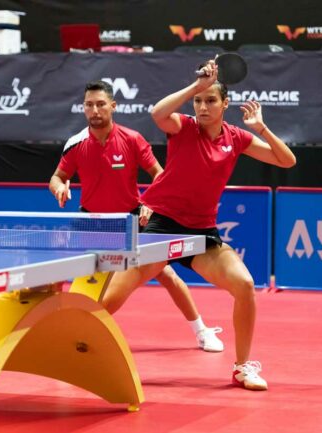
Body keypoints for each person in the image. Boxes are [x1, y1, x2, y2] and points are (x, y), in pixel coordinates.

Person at [102, 61, 296, 390]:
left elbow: (286, 160)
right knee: (109, 300)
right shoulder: (184, 128)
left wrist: (260, 128)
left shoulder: (236, 138)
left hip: (201, 232)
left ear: (225, 104)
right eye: (198, 101)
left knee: (244, 285)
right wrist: (197, 85)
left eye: (210, 100)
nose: (203, 107)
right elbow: (157, 113)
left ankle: (242, 368)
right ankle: (76, 349)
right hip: (161, 224)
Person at [49, 80, 224, 353]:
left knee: (167, 275)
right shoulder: (76, 143)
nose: (95, 110)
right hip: (91, 223)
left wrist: (152, 203)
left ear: (113, 106)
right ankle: (59, 331)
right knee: (61, 274)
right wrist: (59, 187)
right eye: (89, 105)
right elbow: (57, 177)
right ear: (83, 108)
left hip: (131, 223)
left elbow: (159, 174)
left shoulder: (131, 139)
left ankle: (201, 331)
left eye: (100, 104)